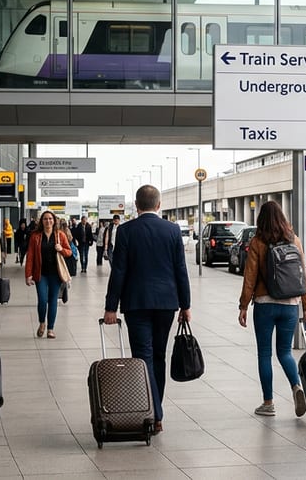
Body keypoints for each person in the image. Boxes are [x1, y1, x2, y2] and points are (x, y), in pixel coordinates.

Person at [104, 186, 191, 435]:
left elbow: (119, 270)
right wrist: (186, 305)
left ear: (136, 205)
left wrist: (111, 306)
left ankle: (155, 412)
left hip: (137, 303)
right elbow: (180, 270)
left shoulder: (126, 230)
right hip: (166, 304)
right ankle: (157, 412)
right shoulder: (172, 230)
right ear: (159, 205)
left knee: (143, 357)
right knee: (158, 357)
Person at [237, 200, 306, 417]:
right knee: (285, 352)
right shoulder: (294, 240)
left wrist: (243, 306)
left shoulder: (258, 241)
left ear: (261, 219)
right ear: (282, 217)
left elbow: (249, 276)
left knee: (264, 354)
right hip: (290, 304)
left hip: (264, 304)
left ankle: (268, 403)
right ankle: (296, 387)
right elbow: (303, 275)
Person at [24, 211, 72, 339]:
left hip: (56, 274)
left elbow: (69, 252)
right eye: (45, 219)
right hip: (41, 274)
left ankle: (50, 328)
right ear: (42, 221)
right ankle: (42, 323)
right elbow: (30, 256)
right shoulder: (35, 236)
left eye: (50, 219)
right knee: (42, 300)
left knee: (52, 301)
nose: (48, 221)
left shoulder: (60, 235)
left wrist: (61, 249)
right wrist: (28, 274)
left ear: (54, 221)